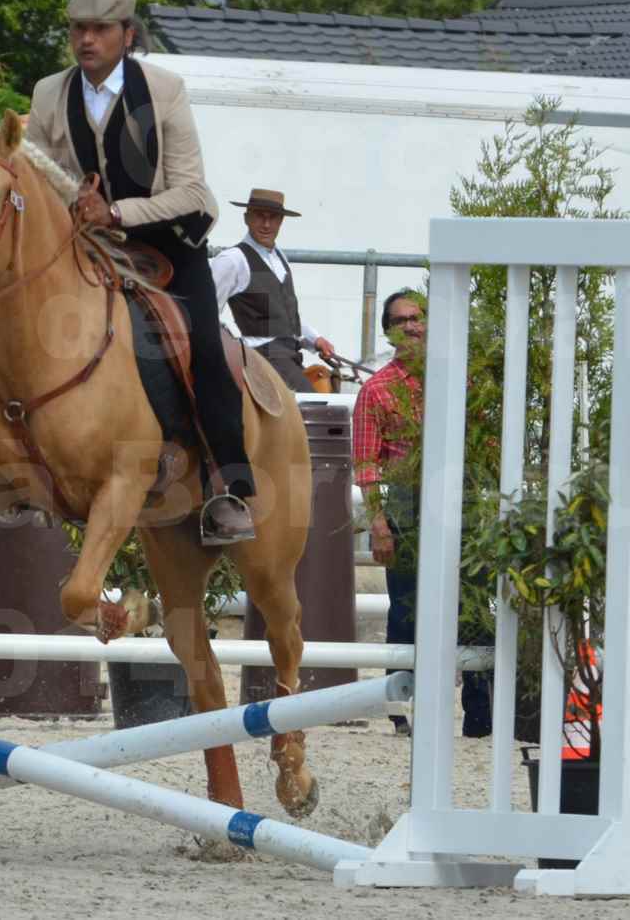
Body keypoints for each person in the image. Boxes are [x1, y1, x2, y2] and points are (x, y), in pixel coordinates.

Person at [24, 0, 254, 544]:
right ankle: (25, 475)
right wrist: (66, 206)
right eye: (78, 29)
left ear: (127, 35)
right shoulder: (48, 94)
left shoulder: (166, 90)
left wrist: (118, 213)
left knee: (203, 347)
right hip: (85, 249)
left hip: (168, 249)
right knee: (21, 333)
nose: (86, 39)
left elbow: (192, 192)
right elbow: (35, 177)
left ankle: (231, 488)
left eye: (100, 29)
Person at [352, 289, 492, 738]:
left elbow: (486, 440)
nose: (412, 326)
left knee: (473, 607)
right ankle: (400, 708)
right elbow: (367, 465)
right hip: (407, 503)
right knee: (407, 609)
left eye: (419, 317)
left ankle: (478, 713)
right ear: (389, 332)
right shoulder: (375, 390)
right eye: (401, 321)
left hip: (464, 497)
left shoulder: (461, 380)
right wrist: (378, 523)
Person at [209, 188, 337, 393]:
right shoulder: (232, 260)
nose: (266, 224)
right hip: (260, 358)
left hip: (289, 357)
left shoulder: (280, 257)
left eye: (273, 218)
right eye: (260, 216)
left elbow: (285, 317)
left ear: (281, 221)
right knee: (318, 406)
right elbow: (206, 312)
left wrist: (316, 339)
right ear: (246, 218)